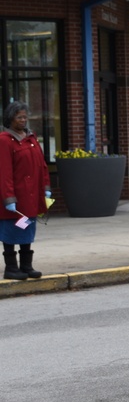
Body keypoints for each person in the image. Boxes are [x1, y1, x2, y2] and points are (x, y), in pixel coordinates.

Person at [0, 101, 50, 280]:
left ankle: (26, 266)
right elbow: (4, 172)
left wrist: (46, 188)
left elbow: (42, 166)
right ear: (10, 119)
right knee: (11, 231)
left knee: (27, 230)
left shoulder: (31, 139)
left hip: (31, 197)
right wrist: (9, 198)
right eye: (19, 117)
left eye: (25, 117)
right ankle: (11, 268)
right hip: (16, 198)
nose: (23, 120)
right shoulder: (4, 140)